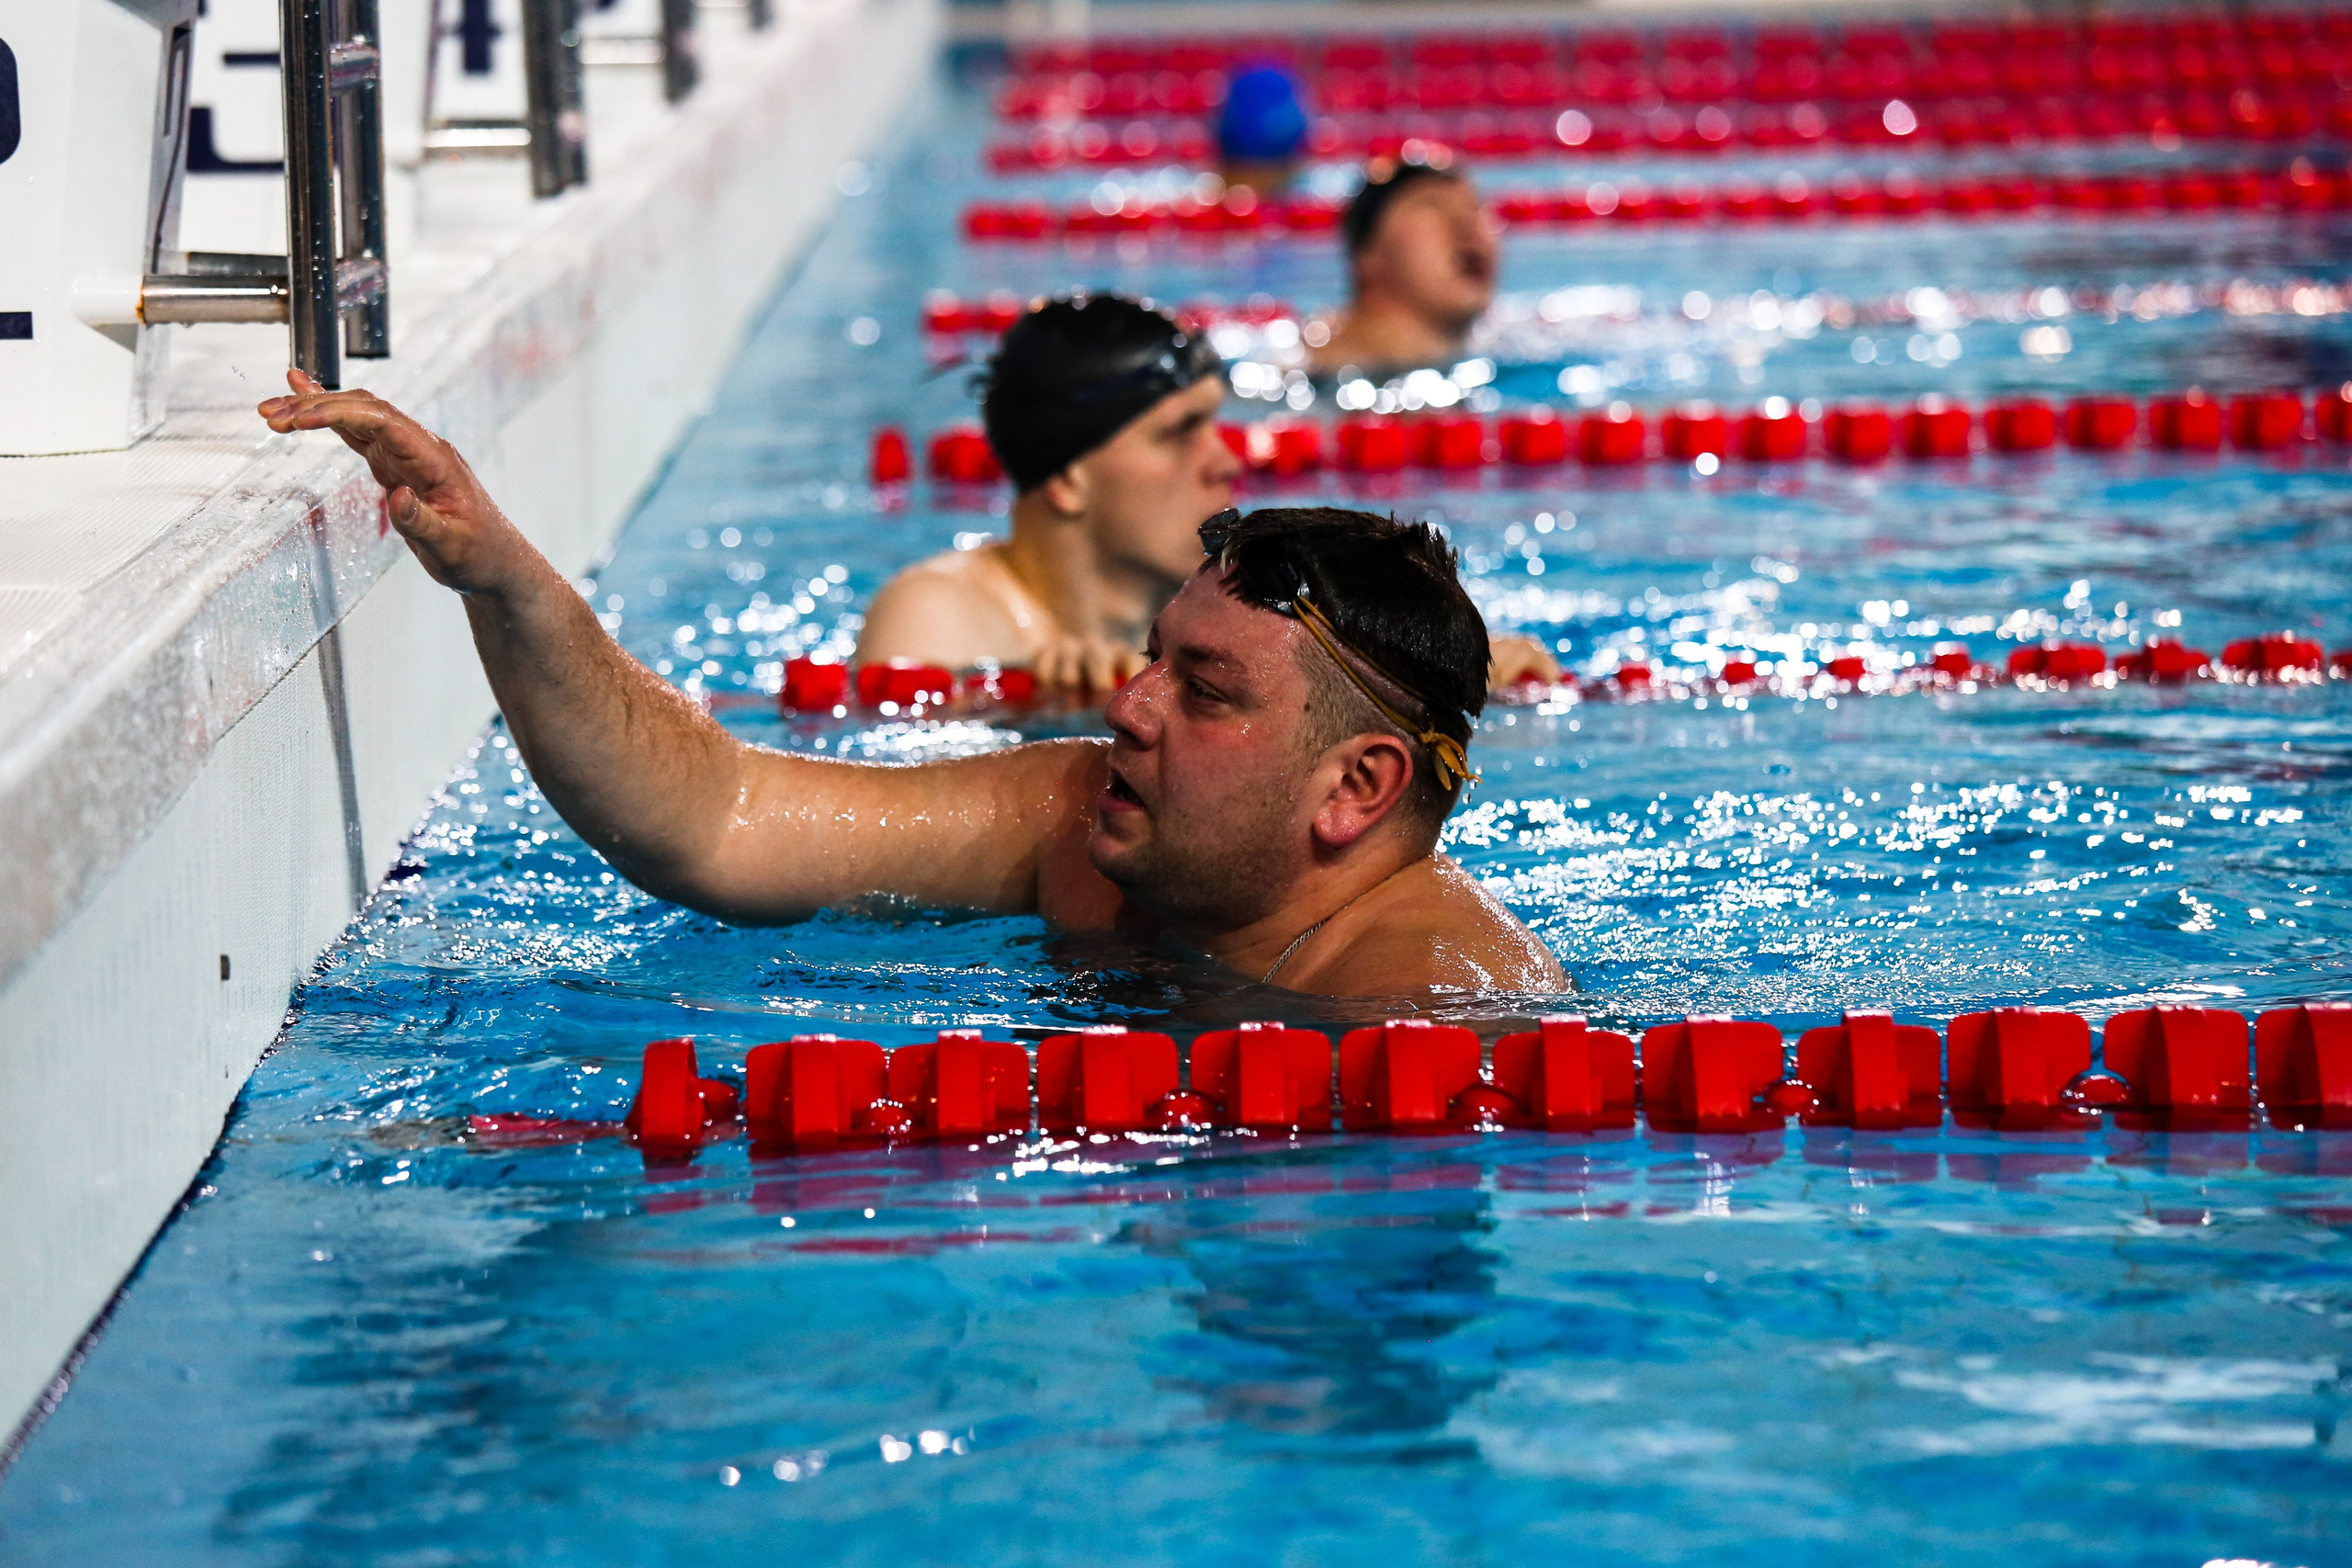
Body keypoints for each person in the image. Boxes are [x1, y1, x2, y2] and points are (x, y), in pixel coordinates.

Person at [256, 370, 1566, 998]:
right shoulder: (1086, 826)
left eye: (1206, 690)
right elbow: (718, 818)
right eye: (1155, 655)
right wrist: (506, 575)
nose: (1128, 703)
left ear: (1356, 788)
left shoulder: (1439, 1009)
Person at [857, 293, 1241, 693]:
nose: (1228, 463)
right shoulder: (941, 621)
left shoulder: (1224, 613)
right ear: (1067, 480)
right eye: (1180, 431)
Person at [1307, 152, 1498, 376]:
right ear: (1368, 254)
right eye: (1431, 206)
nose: (1468, 224)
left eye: (1474, 208)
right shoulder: (1316, 373)